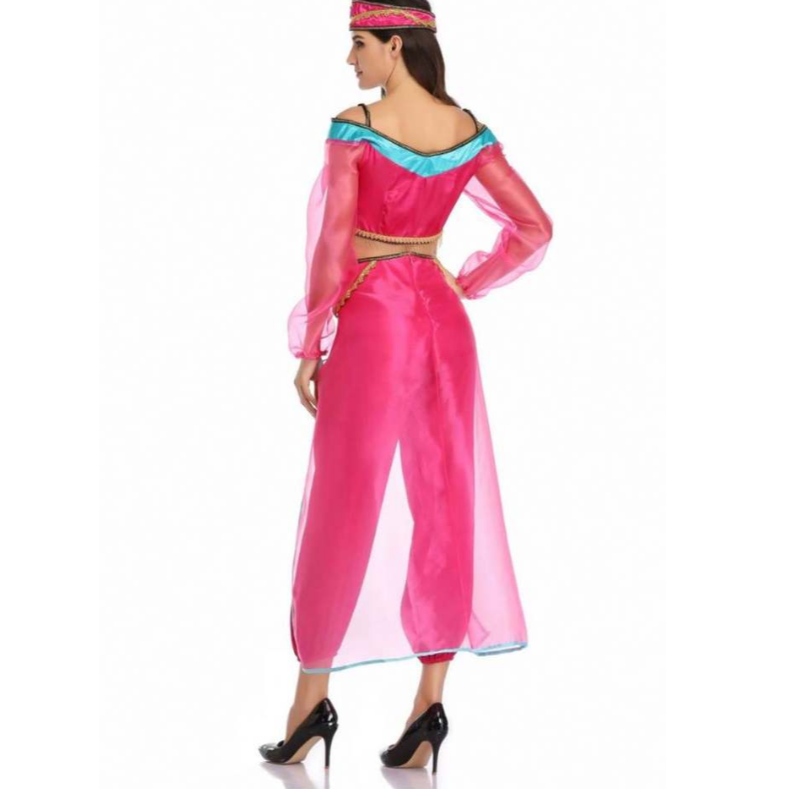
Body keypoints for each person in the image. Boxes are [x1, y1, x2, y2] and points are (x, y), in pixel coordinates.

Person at [259, 0, 553, 773]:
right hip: (442, 324)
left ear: (395, 45)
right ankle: (429, 710)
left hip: (375, 319)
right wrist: (467, 280)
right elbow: (534, 227)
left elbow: (333, 242)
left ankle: (310, 704)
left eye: (359, 43)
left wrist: (313, 340)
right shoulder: (466, 130)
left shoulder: (355, 127)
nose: (350, 59)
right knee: (444, 500)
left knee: (343, 500)